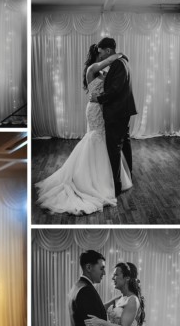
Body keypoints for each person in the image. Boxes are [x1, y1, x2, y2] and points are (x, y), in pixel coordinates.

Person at [35, 44, 132, 215]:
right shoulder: (92, 68)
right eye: (101, 54)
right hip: (95, 108)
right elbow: (110, 59)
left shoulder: (100, 72)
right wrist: (120, 54)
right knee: (95, 137)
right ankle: (91, 180)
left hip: (102, 108)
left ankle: (108, 178)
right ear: (98, 55)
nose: (104, 58)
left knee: (103, 139)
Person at [90, 37, 137, 197]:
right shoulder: (122, 62)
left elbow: (115, 89)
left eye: (101, 51)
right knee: (125, 144)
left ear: (108, 50)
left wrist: (99, 98)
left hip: (117, 112)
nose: (101, 55)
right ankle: (128, 175)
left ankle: (116, 185)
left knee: (114, 148)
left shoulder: (118, 64)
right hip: (123, 110)